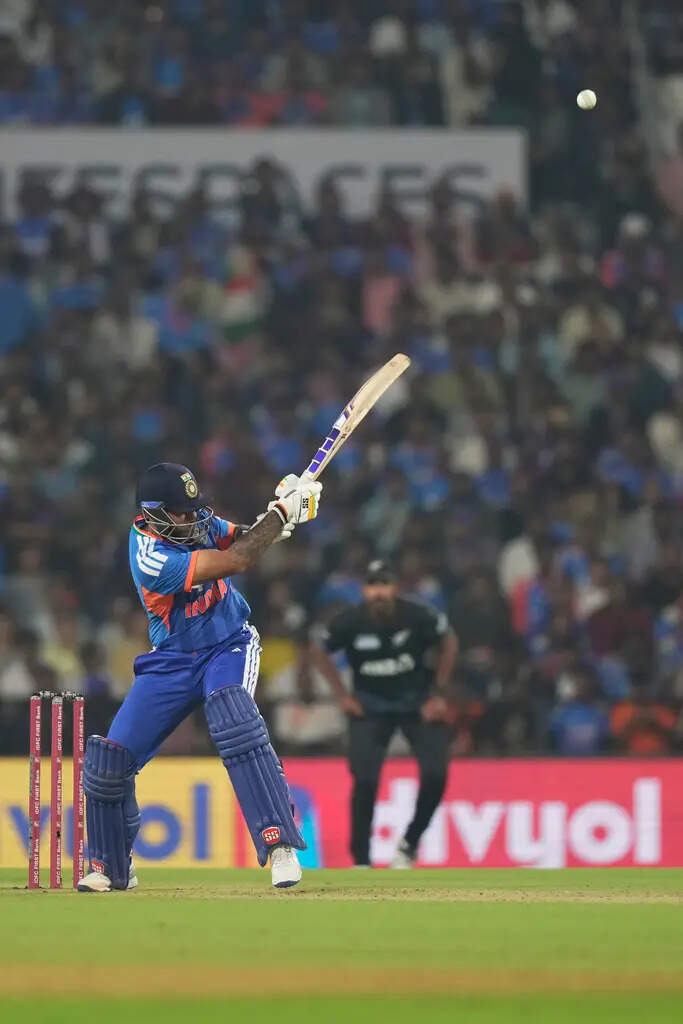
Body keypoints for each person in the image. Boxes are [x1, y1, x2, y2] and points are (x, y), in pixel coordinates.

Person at [77, 462, 322, 892]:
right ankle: (111, 867)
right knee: (108, 762)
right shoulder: (151, 557)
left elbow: (243, 538)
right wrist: (283, 513)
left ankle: (281, 845)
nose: (192, 518)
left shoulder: (196, 522)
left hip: (228, 645)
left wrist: (282, 514)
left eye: (194, 508)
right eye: (181, 512)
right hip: (172, 659)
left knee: (233, 715)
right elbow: (239, 559)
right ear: (153, 513)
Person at [310, 560, 458, 867]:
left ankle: (409, 843)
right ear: (364, 590)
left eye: (385, 585)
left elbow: (449, 640)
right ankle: (361, 860)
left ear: (395, 587)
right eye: (373, 585)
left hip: (417, 703)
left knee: (436, 774)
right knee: (364, 780)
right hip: (370, 706)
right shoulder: (350, 621)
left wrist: (439, 693)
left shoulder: (416, 614)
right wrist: (342, 696)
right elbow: (318, 650)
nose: (379, 592)